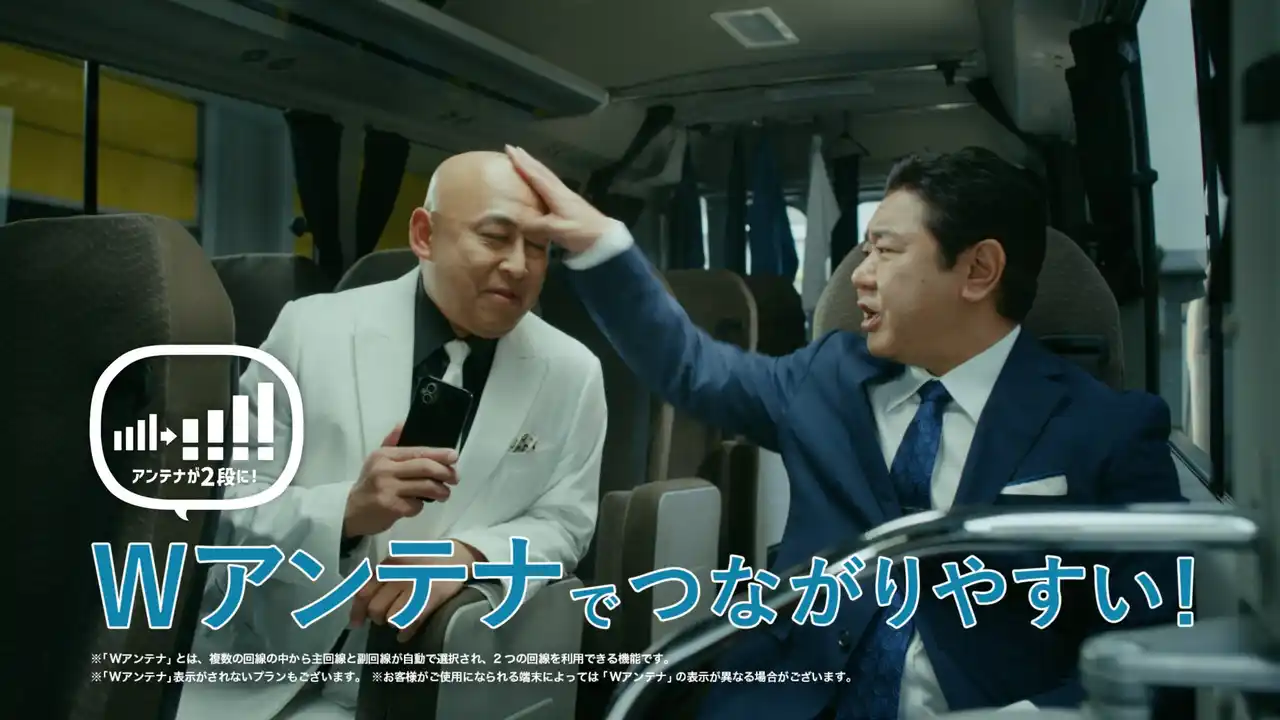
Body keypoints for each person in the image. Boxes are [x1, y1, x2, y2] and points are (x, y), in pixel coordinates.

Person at [502, 144, 1187, 719]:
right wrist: (598, 244)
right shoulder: (827, 374)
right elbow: (691, 368)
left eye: (885, 252)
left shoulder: (1108, 430)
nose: (858, 276)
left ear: (978, 270)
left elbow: (1154, 648)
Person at [177, 151, 606, 720]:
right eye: (495, 237)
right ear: (424, 235)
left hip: (436, 679)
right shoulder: (309, 330)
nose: (519, 266)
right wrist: (346, 513)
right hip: (257, 661)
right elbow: (222, 506)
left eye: (539, 247)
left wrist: (468, 555)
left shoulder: (573, 372)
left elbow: (566, 522)